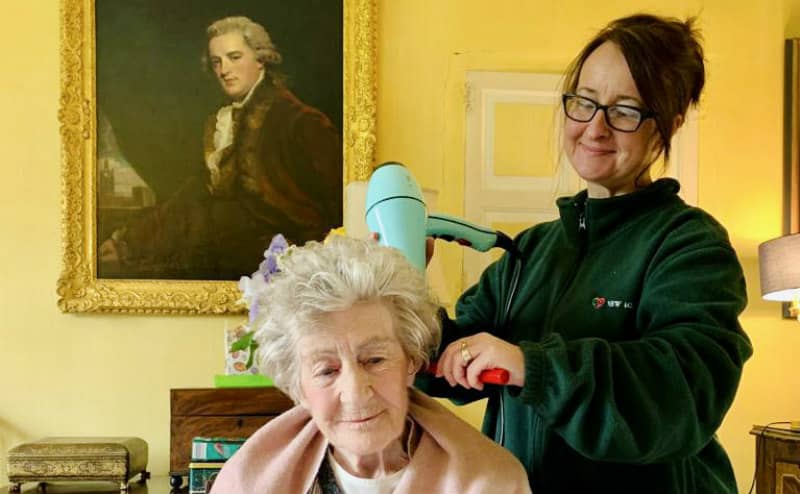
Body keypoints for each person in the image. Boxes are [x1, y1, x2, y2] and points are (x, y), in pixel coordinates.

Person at [415, 13, 752, 493]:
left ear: (667, 128)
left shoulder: (689, 246)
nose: (595, 128)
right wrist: (400, 293)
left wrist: (533, 366)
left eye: (626, 110)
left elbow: (682, 393)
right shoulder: (530, 250)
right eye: (585, 103)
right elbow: (448, 361)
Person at [209, 236, 532, 494]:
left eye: (374, 360)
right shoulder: (248, 481)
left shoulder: (490, 481)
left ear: (412, 360)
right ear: (298, 387)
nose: (355, 393)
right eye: (326, 370)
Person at [99, 16, 342, 280]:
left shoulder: (300, 122)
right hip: (224, 261)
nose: (224, 70)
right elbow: (193, 199)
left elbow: (334, 210)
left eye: (234, 57)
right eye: (217, 62)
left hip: (284, 270)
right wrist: (128, 242)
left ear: (261, 60)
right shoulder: (220, 123)